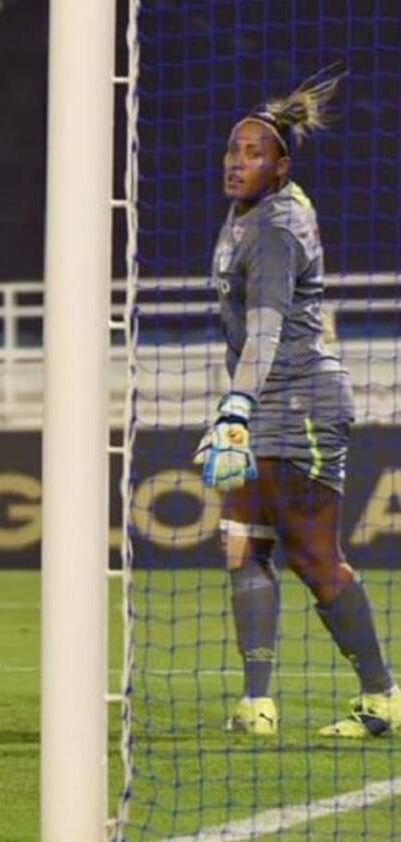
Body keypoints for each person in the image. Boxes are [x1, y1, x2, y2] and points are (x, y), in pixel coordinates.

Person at [195, 70, 399, 738]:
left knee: (312, 558)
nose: (238, 162)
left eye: (255, 154)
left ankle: (383, 697)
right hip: (268, 401)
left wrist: (234, 409)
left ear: (282, 167)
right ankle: (258, 705)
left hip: (302, 404)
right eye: (234, 149)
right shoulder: (248, 212)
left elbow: (268, 330)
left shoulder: (275, 229)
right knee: (243, 546)